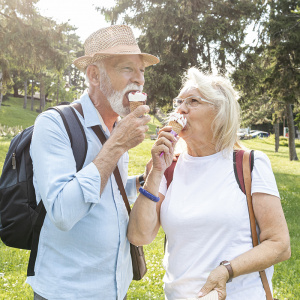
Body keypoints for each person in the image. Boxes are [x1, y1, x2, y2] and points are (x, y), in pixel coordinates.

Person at [127, 67, 291, 300]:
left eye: (193, 101)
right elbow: (138, 236)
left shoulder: (250, 164)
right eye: (179, 101)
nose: (181, 109)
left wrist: (227, 270)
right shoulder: (167, 168)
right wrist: (155, 173)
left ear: (220, 112)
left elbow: (279, 244)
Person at [27, 25, 159, 300]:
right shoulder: (54, 124)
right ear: (94, 75)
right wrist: (118, 144)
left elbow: (110, 189)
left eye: (142, 71)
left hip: (115, 288)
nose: (139, 80)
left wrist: (144, 179)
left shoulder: (116, 127)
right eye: (127, 69)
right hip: (68, 291)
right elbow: (63, 211)